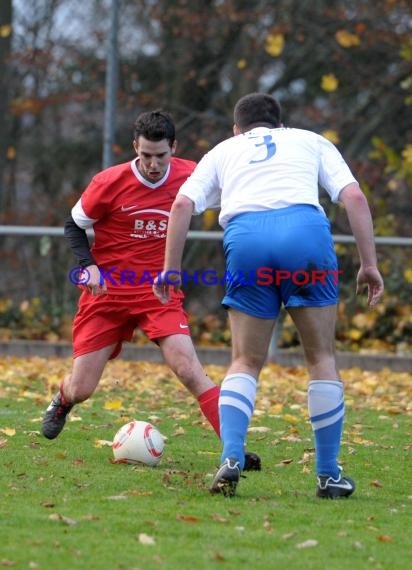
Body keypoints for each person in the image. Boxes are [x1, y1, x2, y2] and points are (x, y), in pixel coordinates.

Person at [153, 93, 384, 498]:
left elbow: (182, 204)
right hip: (305, 234)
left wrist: (171, 270)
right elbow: (354, 198)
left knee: (245, 360)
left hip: (248, 241)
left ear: (236, 129)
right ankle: (328, 474)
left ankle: (231, 455)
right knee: (322, 358)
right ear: (280, 125)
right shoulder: (310, 140)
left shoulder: (224, 150)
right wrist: (369, 264)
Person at [40, 109, 261, 472]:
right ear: (135, 149)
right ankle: (62, 401)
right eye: (146, 156)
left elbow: (236, 187)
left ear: (174, 147)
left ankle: (234, 448)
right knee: (82, 388)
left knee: (190, 370)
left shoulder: (193, 175)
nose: (154, 165)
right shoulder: (108, 182)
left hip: (159, 293)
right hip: (107, 294)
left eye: (161, 156)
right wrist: (89, 266)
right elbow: (73, 226)